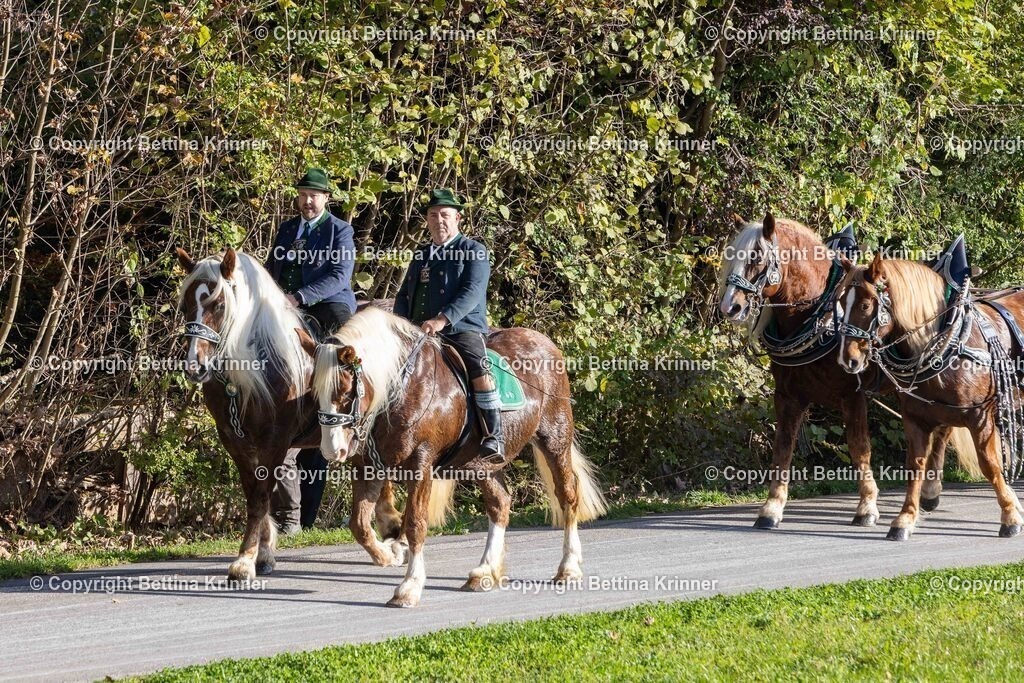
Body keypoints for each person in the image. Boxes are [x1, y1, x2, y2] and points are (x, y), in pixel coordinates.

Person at [266, 168, 357, 533]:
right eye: (303, 194)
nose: (307, 200)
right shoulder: (287, 230)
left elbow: (339, 275)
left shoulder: (340, 230)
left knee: (338, 343)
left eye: (314, 195)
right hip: (287, 306)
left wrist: (299, 298)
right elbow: (272, 270)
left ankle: (340, 391)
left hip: (326, 305)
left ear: (325, 198)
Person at [394, 188, 504, 461]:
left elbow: (472, 291)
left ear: (458, 219)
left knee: (479, 366)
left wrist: (442, 320)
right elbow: (405, 294)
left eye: (445, 215)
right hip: (419, 331)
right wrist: (398, 326)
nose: (439, 220)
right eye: (433, 215)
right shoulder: (421, 255)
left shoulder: (474, 251)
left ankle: (493, 435)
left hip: (461, 328)